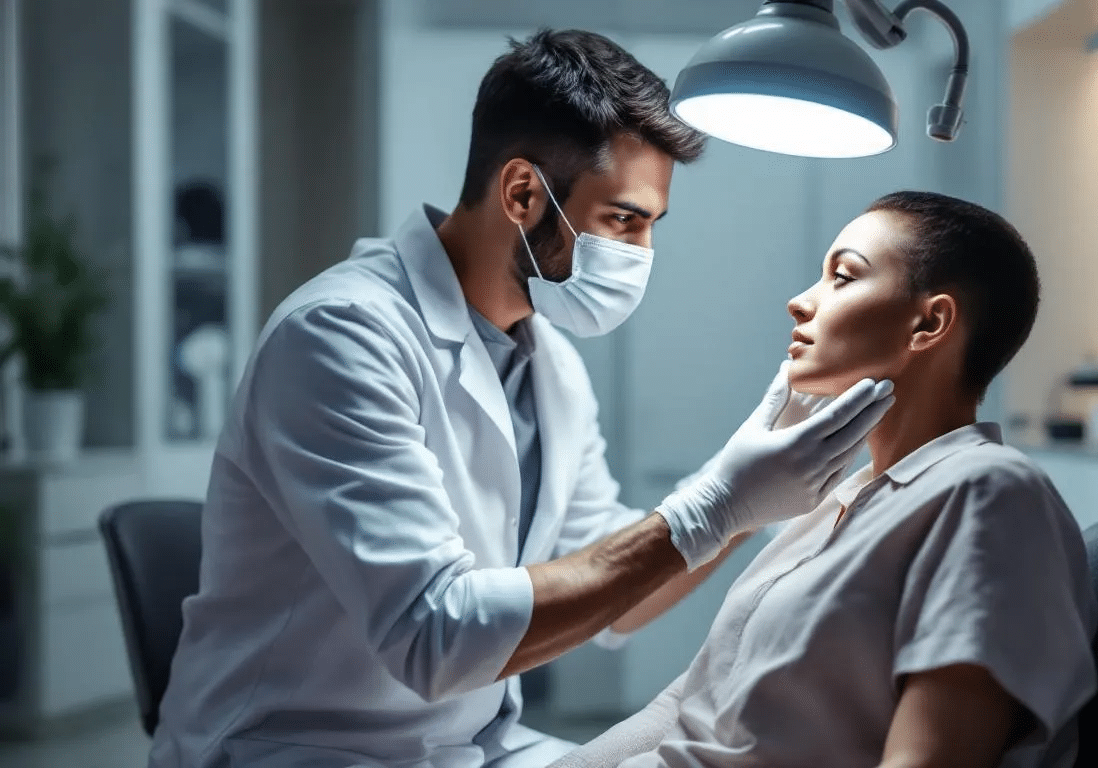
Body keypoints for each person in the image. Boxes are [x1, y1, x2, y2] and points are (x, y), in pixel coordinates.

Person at [148, 29, 895, 768]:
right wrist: (716, 505)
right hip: (297, 751)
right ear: (522, 193)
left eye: (651, 227)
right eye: (622, 221)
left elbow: (618, 599)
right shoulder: (340, 337)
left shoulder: (551, 368)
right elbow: (432, 637)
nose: (641, 257)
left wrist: (755, 493)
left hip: (470, 744)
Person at [549, 192, 1098, 768]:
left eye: (843, 276)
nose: (799, 303)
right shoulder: (831, 501)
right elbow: (690, 708)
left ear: (929, 323)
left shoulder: (988, 493)